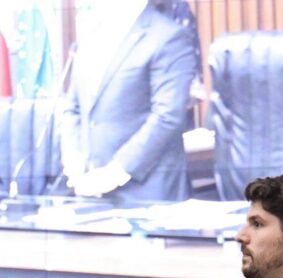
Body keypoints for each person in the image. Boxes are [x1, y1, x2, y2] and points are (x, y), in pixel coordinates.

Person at [59, 0, 197, 201]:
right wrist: (72, 158)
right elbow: (72, 107)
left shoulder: (168, 36)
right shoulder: (90, 34)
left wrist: (115, 172)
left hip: (146, 193)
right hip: (88, 189)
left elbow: (167, 116)